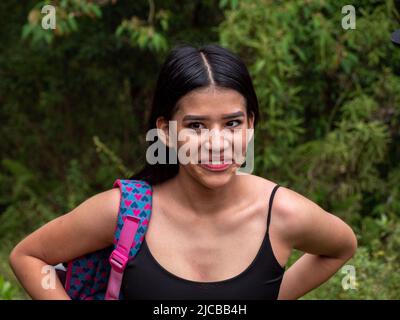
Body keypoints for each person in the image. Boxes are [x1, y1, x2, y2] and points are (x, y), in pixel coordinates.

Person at [9, 44, 357, 300]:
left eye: (233, 122)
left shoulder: (282, 214)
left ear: (251, 125)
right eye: (196, 126)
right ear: (166, 130)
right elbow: (28, 256)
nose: (217, 143)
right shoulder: (125, 212)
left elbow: (342, 247)